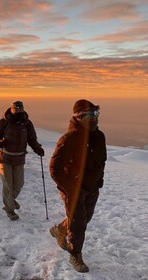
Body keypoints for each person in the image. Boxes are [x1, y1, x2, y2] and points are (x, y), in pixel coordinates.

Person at [49, 99, 106, 273]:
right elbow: (54, 168)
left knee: (84, 218)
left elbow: (101, 160)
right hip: (73, 188)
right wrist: (69, 187)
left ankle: (60, 229)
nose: (94, 118)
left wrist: (99, 180)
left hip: (92, 187)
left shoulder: (99, 136)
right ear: (79, 117)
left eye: (96, 113)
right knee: (79, 223)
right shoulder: (70, 138)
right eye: (89, 115)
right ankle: (75, 254)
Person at [0, 101, 44, 221]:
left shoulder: (27, 124)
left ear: (23, 109)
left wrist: (38, 148)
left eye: (20, 109)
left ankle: (10, 201)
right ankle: (10, 209)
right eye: (16, 109)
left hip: (19, 158)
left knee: (19, 184)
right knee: (8, 185)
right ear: (12, 109)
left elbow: (32, 139)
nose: (18, 112)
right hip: (5, 157)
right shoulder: (3, 122)